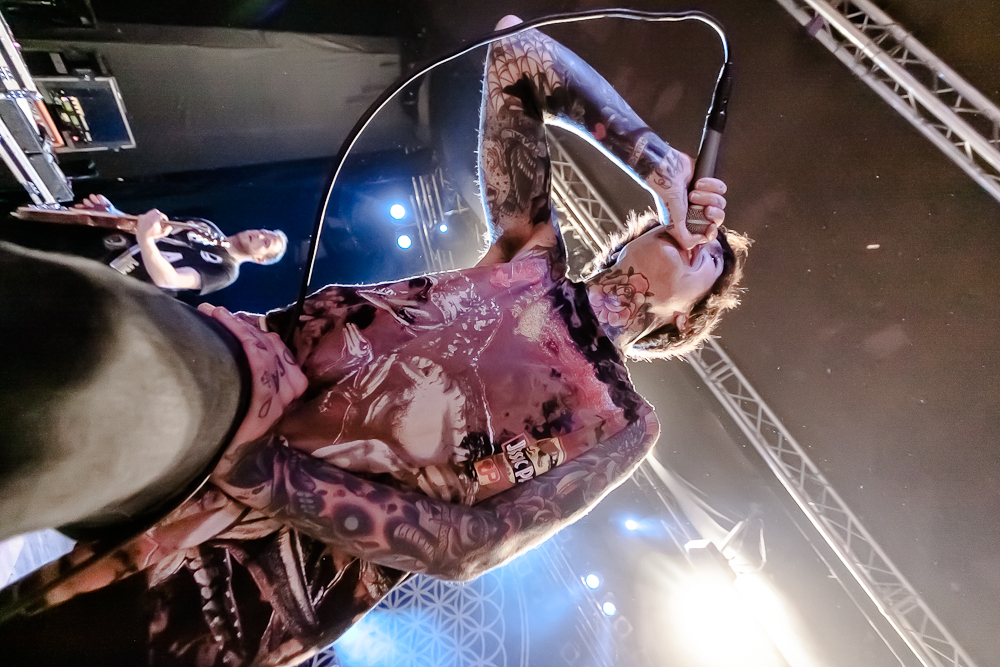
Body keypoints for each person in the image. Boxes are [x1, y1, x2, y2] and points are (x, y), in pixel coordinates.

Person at [0, 16, 748, 667]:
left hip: (265, 565)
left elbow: (474, 543)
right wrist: (657, 162)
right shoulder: (534, 254)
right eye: (691, 226)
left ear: (685, 320)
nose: (696, 236)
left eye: (711, 255)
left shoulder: (620, 419)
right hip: (250, 386)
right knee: (83, 348)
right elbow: (517, 53)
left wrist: (268, 474)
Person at [1, 193, 288, 295]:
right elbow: (148, 227)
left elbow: (169, 280)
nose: (260, 235)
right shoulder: (205, 226)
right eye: (264, 231)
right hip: (88, 239)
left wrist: (145, 241)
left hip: (96, 271)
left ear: (260, 259)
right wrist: (111, 213)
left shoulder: (226, 271)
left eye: (267, 242)